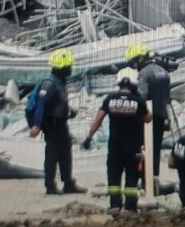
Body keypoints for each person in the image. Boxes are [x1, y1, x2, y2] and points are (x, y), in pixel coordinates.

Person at [81, 67, 151, 214]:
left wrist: (88, 137)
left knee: (114, 176)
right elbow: (148, 118)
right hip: (133, 148)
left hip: (115, 147)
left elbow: (98, 119)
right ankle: (130, 207)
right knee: (132, 178)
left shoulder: (109, 99)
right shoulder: (139, 101)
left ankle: (115, 205)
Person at [28, 48, 88, 195]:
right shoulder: (50, 84)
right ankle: (51, 186)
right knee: (53, 154)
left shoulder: (59, 82)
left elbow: (59, 102)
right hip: (53, 125)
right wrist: (36, 125)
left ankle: (67, 183)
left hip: (60, 124)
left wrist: (70, 111)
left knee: (65, 154)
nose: (70, 69)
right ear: (62, 67)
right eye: (68, 66)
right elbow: (41, 104)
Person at [126, 42, 171, 184]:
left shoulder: (144, 73)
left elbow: (142, 96)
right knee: (156, 148)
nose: (134, 67)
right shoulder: (162, 71)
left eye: (133, 63)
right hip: (161, 114)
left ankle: (144, 178)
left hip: (147, 117)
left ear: (139, 59)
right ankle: (154, 177)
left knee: (142, 148)